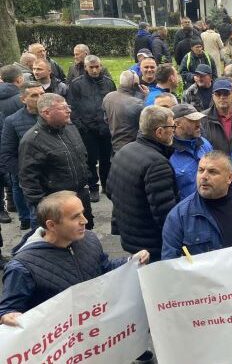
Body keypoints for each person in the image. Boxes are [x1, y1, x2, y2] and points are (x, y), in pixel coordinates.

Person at [0, 191, 149, 327]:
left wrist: (131, 262)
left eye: (82, 213)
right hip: (61, 346)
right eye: (75, 217)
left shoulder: (89, 239)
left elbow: (103, 268)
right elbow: (9, 310)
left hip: (91, 332)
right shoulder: (22, 267)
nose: (84, 221)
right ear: (51, 225)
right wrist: (7, 316)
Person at [162, 151, 232, 259]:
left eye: (212, 172)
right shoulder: (179, 216)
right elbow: (169, 264)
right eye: (200, 170)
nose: (204, 177)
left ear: (230, 178)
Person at [107, 106, 178, 262]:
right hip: (151, 244)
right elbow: (164, 213)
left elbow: (110, 190)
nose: (174, 130)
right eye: (172, 126)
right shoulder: (157, 163)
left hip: (131, 237)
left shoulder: (125, 150)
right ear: (159, 132)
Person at [19, 94, 94, 229]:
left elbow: (83, 157)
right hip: (57, 206)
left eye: (68, 106)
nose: (69, 111)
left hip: (80, 197)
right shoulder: (32, 140)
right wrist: (44, 207)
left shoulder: (71, 128)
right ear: (46, 112)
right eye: (63, 108)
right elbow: (28, 180)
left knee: (84, 240)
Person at [66, 55, 116, 202]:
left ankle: (106, 185)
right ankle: (93, 187)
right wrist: (82, 127)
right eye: (91, 67)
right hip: (87, 130)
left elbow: (113, 103)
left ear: (101, 66)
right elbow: (72, 107)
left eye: (97, 67)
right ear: (86, 68)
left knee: (107, 159)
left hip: (105, 128)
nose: (95, 70)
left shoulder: (108, 83)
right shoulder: (76, 84)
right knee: (90, 160)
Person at [0, 82, 44, 230]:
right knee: (35, 218)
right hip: (25, 173)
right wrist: (22, 172)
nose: (40, 98)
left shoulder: (52, 116)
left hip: (50, 174)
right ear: (23, 99)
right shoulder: (12, 121)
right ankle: (25, 219)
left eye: (42, 94)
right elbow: (7, 153)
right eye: (34, 95)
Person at [170, 104, 213, 199]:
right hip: (184, 211)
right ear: (177, 124)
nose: (198, 124)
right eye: (192, 120)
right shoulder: (167, 152)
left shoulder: (205, 144)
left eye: (199, 120)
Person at [200, 79, 232, 154]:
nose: (222, 97)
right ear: (213, 97)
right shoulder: (203, 118)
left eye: (226, 94)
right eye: (218, 94)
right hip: (215, 164)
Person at [103, 70, 147, 154]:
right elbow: (145, 127)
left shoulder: (108, 97)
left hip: (115, 144)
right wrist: (145, 97)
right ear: (135, 85)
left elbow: (106, 120)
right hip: (132, 149)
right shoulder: (138, 103)